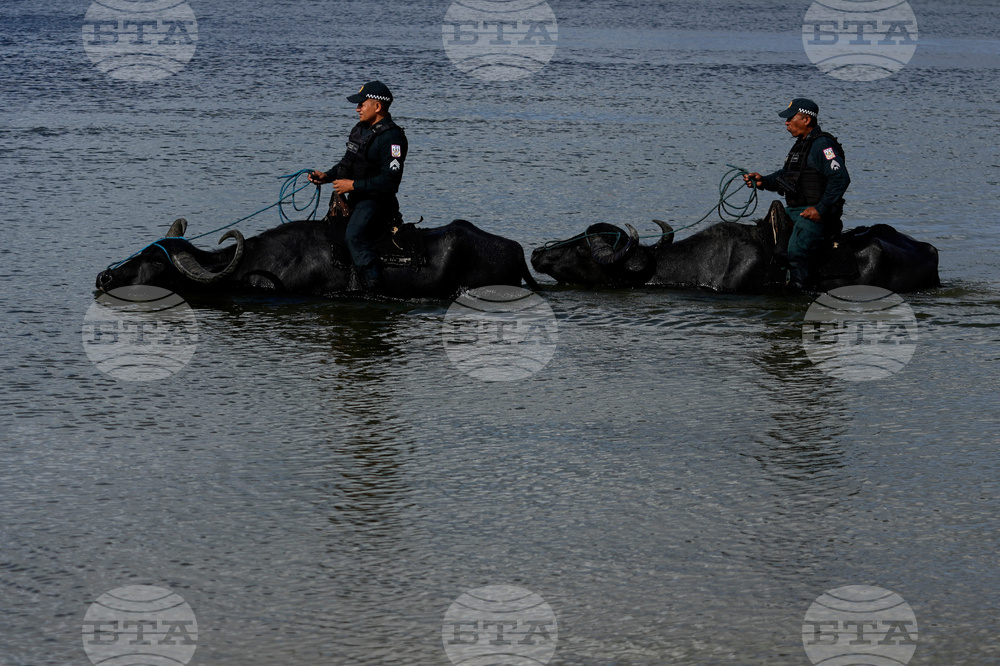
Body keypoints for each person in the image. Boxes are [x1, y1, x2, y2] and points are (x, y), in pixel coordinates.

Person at [309, 81, 408, 290]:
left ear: (377, 106)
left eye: (362, 104)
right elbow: (348, 163)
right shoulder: (360, 129)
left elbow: (390, 182)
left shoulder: (392, 138)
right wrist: (326, 176)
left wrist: (353, 185)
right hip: (356, 197)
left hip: (377, 201)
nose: (357, 109)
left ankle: (373, 285)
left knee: (354, 235)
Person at [744, 98, 850, 290]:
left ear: (806, 119)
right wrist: (763, 181)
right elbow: (785, 175)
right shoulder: (800, 145)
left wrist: (820, 209)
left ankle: (802, 294)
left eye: (790, 118)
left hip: (816, 215)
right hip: (795, 211)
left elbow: (840, 178)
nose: (786, 123)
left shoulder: (823, 145)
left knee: (796, 251)